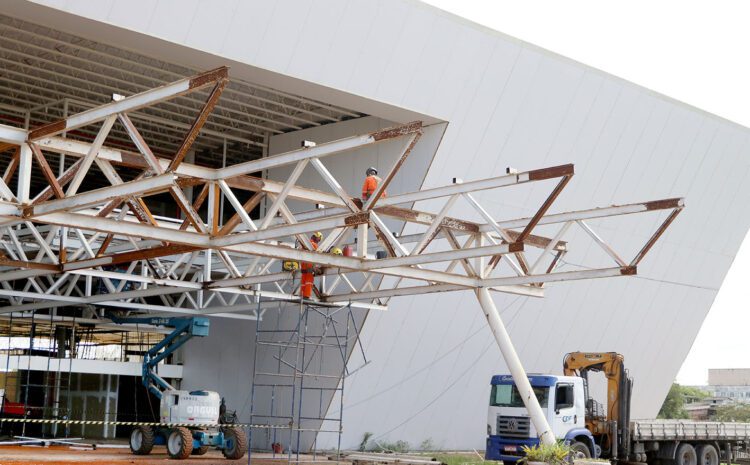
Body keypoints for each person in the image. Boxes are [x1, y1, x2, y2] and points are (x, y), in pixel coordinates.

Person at [300, 232, 322, 298]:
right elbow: (317, 257)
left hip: (303, 267)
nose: (318, 241)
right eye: (319, 239)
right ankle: (306, 295)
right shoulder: (314, 245)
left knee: (303, 281)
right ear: (317, 238)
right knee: (309, 281)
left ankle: (302, 294)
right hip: (309, 266)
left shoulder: (305, 244)